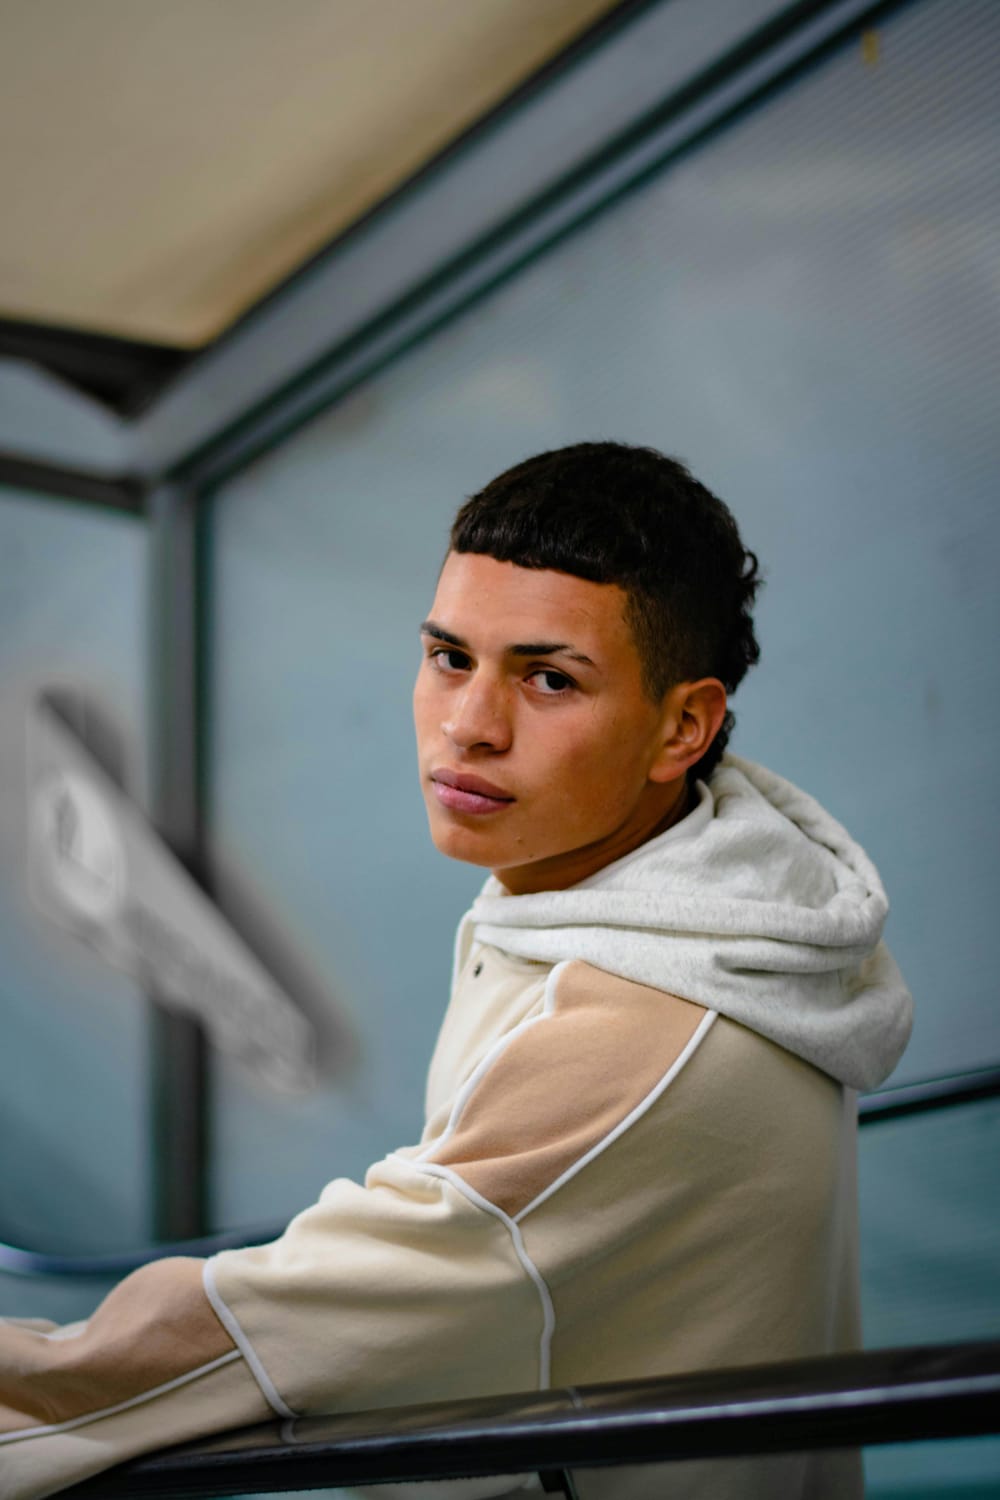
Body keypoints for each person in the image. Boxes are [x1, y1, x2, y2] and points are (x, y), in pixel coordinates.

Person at [0, 442, 912, 1499]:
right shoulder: (692, 908)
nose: (469, 727)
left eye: (550, 679)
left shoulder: (634, 1036)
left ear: (683, 727)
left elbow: (255, 1339)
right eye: (448, 657)